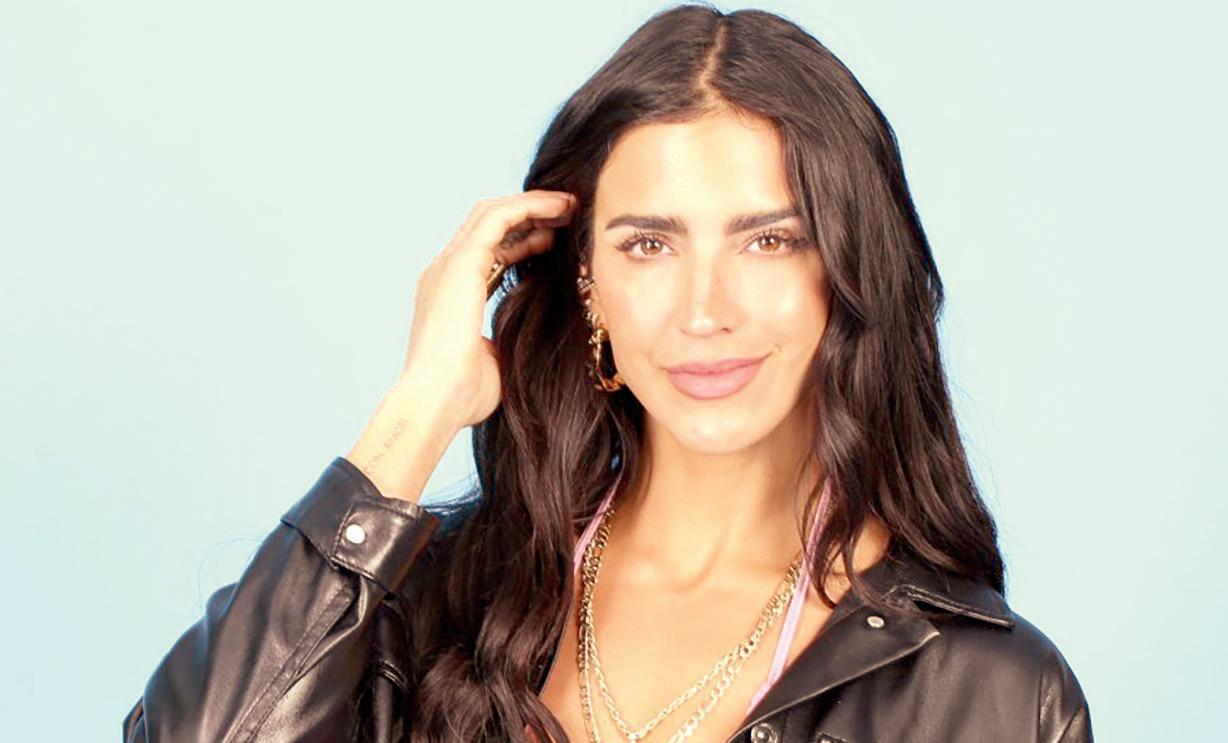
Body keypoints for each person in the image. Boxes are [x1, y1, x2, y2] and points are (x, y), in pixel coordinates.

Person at [122, 5, 1092, 742]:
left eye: (768, 239)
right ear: (586, 283)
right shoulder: (418, 609)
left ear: (845, 273)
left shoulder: (994, 693)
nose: (704, 309)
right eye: (648, 245)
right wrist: (417, 410)